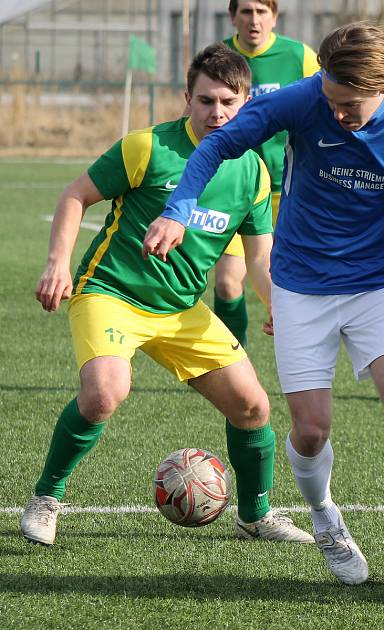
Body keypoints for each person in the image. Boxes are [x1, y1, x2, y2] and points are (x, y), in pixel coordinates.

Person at [141, 21, 384, 594]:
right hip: (302, 282)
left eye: (349, 105)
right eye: (329, 100)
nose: (335, 114)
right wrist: (180, 206)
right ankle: (328, 523)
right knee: (310, 430)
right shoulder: (306, 97)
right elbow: (217, 145)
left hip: (380, 282)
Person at [21, 43, 312, 547]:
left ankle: (255, 515)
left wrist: (278, 306)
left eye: (227, 101)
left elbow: (261, 258)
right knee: (104, 392)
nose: (216, 113)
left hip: (179, 310)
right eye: (205, 101)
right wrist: (57, 264)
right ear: (186, 99)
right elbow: (75, 195)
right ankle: (47, 497)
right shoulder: (148, 147)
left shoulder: (253, 173)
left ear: (246, 103)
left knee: (252, 408)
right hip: (111, 293)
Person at [213, 0, 320, 349]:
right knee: (228, 283)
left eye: (261, 12)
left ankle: (307, 349)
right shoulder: (218, 59)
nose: (254, 20)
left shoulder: (300, 57)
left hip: (290, 190)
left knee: (297, 282)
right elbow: (197, 114)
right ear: (232, 17)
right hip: (238, 188)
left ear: (274, 17)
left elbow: (327, 106)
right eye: (246, 11)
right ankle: (231, 356)